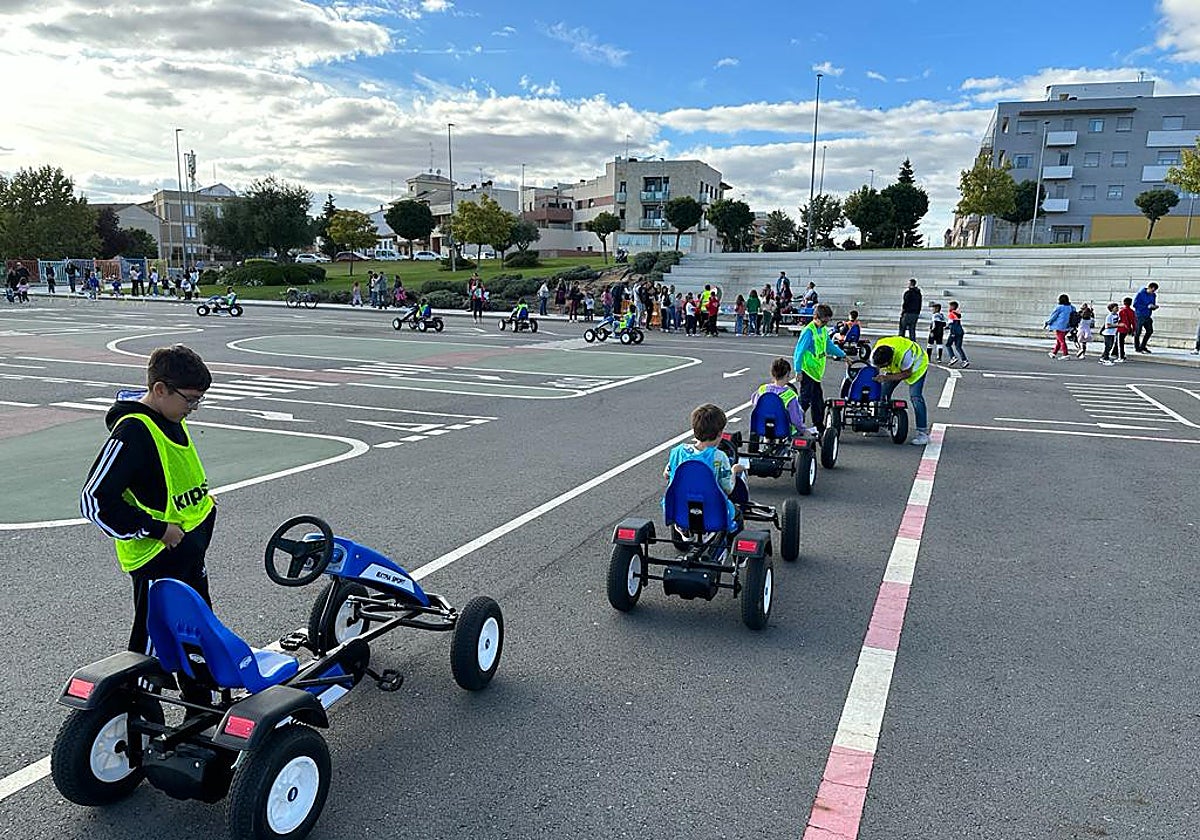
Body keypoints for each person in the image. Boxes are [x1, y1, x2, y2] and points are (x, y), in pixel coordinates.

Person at [79, 345, 216, 700]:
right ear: (160, 390)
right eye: (190, 400)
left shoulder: (169, 420)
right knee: (153, 650)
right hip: (159, 563)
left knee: (197, 634)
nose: (193, 408)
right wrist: (159, 530)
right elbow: (95, 501)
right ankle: (130, 718)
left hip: (186, 559)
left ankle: (199, 706)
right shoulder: (134, 432)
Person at [662, 404, 744, 534]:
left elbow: (667, 474)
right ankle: (728, 546)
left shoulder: (677, 452)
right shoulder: (719, 457)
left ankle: (684, 529)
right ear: (720, 433)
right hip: (712, 511)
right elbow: (727, 488)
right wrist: (734, 471)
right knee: (738, 513)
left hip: (679, 509)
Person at [792, 303, 847, 432]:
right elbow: (798, 352)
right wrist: (798, 370)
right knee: (805, 401)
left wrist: (843, 355)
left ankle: (818, 425)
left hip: (816, 373)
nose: (825, 324)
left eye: (827, 322)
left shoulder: (822, 330)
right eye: (823, 321)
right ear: (815, 317)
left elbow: (829, 346)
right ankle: (794, 424)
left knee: (817, 401)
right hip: (807, 371)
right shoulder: (808, 332)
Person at [871, 336, 931, 446]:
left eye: (883, 366)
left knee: (916, 397)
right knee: (882, 393)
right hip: (897, 366)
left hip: (917, 366)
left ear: (889, 360)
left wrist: (886, 378)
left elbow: (907, 374)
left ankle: (922, 434)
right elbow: (874, 369)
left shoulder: (905, 356)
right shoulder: (876, 353)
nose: (882, 368)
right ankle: (881, 424)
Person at [750, 358, 806, 436]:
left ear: (772, 374)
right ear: (787, 374)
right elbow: (795, 420)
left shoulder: (762, 390)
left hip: (762, 429)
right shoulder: (790, 395)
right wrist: (803, 429)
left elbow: (755, 405)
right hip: (784, 432)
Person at [1044, 294, 1075, 359]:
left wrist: (1048, 322)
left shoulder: (1059, 307)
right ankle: (1054, 353)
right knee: (1059, 340)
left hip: (1059, 326)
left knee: (1061, 341)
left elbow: (1053, 316)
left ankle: (1065, 354)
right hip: (1067, 326)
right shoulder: (1071, 307)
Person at [1133, 282, 1159, 353]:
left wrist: (1154, 307)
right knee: (1138, 332)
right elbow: (1135, 304)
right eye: (1152, 290)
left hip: (1147, 315)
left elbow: (1152, 304)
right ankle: (1137, 347)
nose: (1153, 292)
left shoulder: (1153, 295)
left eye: (1154, 291)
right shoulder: (1140, 294)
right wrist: (1147, 306)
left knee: (1150, 331)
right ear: (1149, 288)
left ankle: (1143, 346)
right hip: (1140, 315)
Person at [945, 302, 969, 368]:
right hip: (960, 331)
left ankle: (953, 357)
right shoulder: (957, 313)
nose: (949, 308)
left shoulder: (951, 314)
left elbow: (951, 324)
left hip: (954, 332)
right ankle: (965, 360)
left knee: (948, 344)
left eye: (950, 306)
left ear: (952, 307)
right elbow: (956, 323)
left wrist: (951, 332)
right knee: (958, 346)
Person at [1115, 297, 1136, 363]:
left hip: (1121, 328)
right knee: (1121, 342)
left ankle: (1121, 357)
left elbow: (1121, 320)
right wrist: (1133, 329)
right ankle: (1122, 355)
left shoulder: (1122, 311)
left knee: (1120, 343)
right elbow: (1134, 321)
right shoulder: (1132, 311)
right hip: (1127, 328)